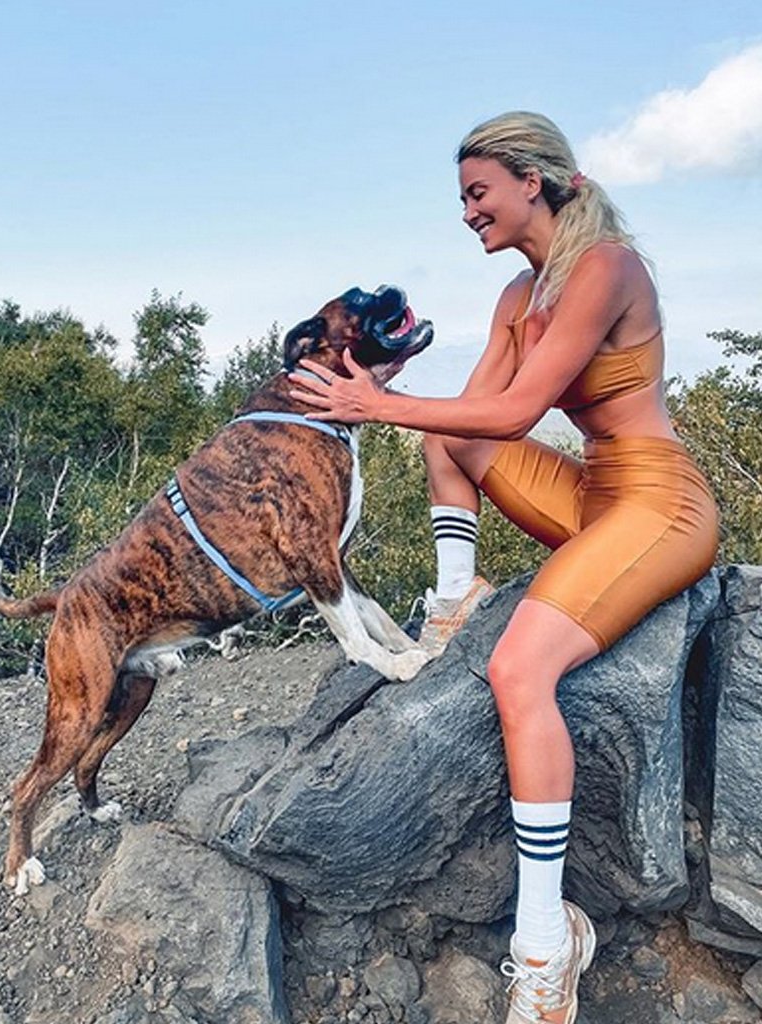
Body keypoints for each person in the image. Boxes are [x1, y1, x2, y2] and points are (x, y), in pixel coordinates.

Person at [290, 111, 719, 1024]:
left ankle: (546, 942)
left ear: (533, 181)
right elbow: (472, 413)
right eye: (462, 199)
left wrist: (380, 405)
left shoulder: (606, 267)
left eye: (477, 192)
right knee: (442, 433)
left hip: (660, 504)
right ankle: (457, 597)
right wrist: (384, 396)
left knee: (520, 670)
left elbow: (519, 409)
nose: (467, 212)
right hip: (591, 493)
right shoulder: (517, 296)